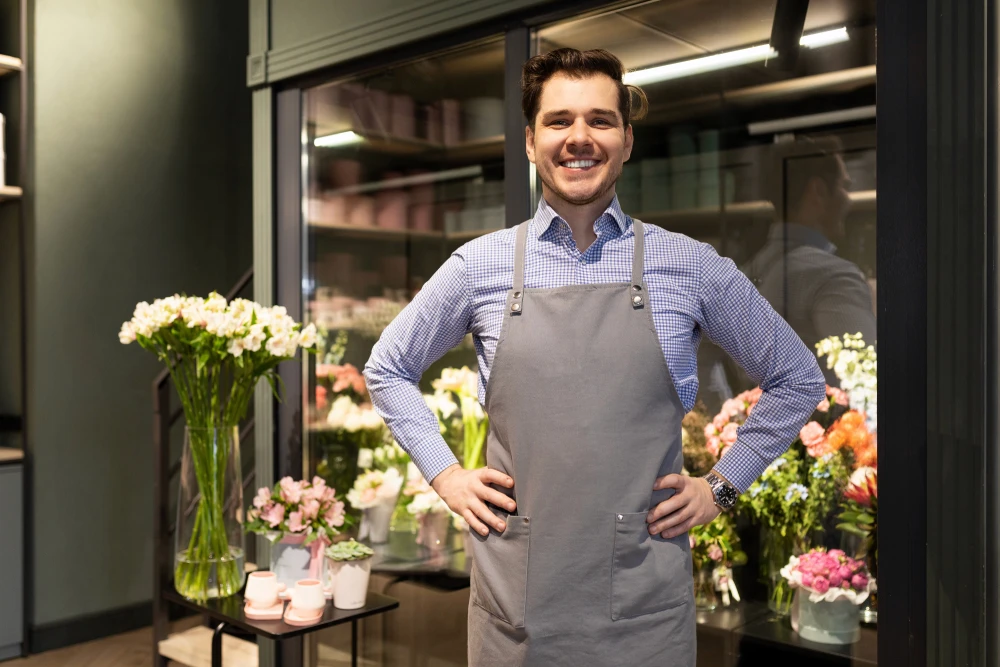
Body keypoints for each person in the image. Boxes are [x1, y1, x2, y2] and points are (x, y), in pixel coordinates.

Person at [364, 48, 825, 666]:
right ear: (530, 142)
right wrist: (446, 474)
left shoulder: (686, 265)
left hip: (643, 614)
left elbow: (797, 378)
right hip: (517, 610)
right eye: (558, 121)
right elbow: (386, 367)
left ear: (627, 140)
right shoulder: (481, 267)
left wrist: (722, 487)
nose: (578, 137)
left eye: (600, 120)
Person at [742, 138, 877, 386]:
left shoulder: (746, 272)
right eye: (844, 187)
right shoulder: (833, 277)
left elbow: (705, 359)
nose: (849, 199)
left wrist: (728, 416)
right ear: (819, 191)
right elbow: (868, 383)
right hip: (830, 425)